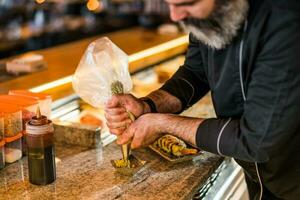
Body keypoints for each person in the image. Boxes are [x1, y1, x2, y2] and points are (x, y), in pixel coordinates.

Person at [104, 0, 300, 199]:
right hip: (260, 178)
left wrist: (163, 123)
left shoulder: (285, 21)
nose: (175, 16)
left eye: (187, 3)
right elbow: (195, 72)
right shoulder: (209, 16)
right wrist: (148, 106)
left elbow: (256, 140)